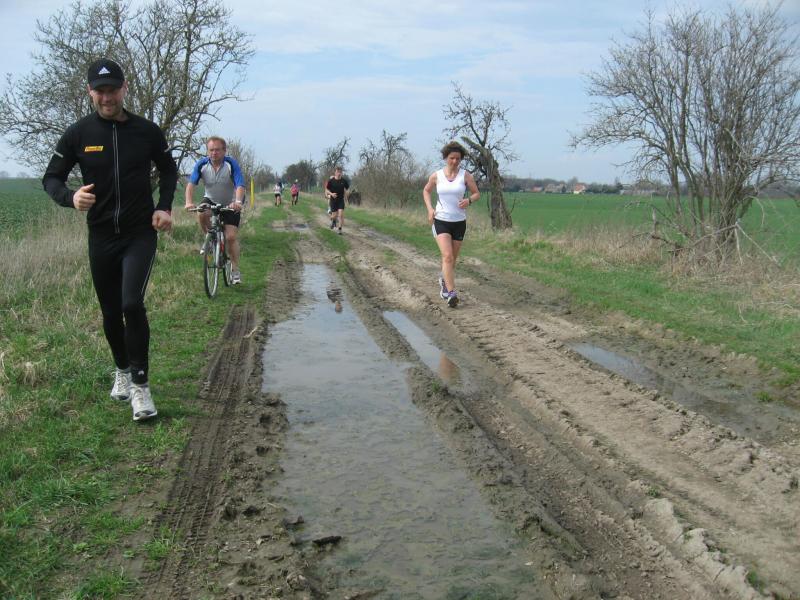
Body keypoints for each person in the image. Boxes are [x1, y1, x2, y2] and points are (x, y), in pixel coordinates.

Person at [42, 58, 178, 421]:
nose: (107, 97)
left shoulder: (147, 131)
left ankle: (141, 387)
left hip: (139, 234)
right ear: (90, 92)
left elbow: (169, 170)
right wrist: (70, 197)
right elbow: (51, 178)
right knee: (110, 311)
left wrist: (164, 207)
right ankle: (121, 368)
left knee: (131, 303)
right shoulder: (78, 134)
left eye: (113, 90)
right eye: (100, 91)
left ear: (124, 89)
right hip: (101, 236)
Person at [422, 141, 480, 308]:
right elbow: (426, 190)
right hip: (441, 220)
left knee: (452, 260)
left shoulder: (465, 176)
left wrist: (469, 200)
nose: (455, 161)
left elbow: (476, 193)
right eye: (452, 158)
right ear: (446, 158)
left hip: (459, 222)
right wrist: (430, 209)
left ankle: (444, 281)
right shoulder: (437, 176)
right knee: (447, 256)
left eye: (458, 159)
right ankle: (451, 293)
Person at [184, 136, 245, 284]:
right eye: (211, 150)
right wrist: (188, 202)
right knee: (201, 211)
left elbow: (240, 185)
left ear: (224, 151)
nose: (214, 153)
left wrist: (237, 202)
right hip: (210, 199)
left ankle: (235, 270)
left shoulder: (231, 164)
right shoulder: (202, 164)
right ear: (207, 151)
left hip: (231, 202)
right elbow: (191, 184)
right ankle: (209, 238)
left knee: (230, 237)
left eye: (217, 150)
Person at [325, 166, 349, 235]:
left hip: (340, 200)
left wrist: (346, 198)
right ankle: (333, 220)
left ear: (341, 173)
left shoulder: (344, 181)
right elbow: (326, 190)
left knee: (340, 215)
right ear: (335, 172)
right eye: (338, 172)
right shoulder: (331, 181)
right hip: (333, 201)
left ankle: (339, 229)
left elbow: (347, 190)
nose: (339, 173)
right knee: (334, 216)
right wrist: (331, 194)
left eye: (340, 172)